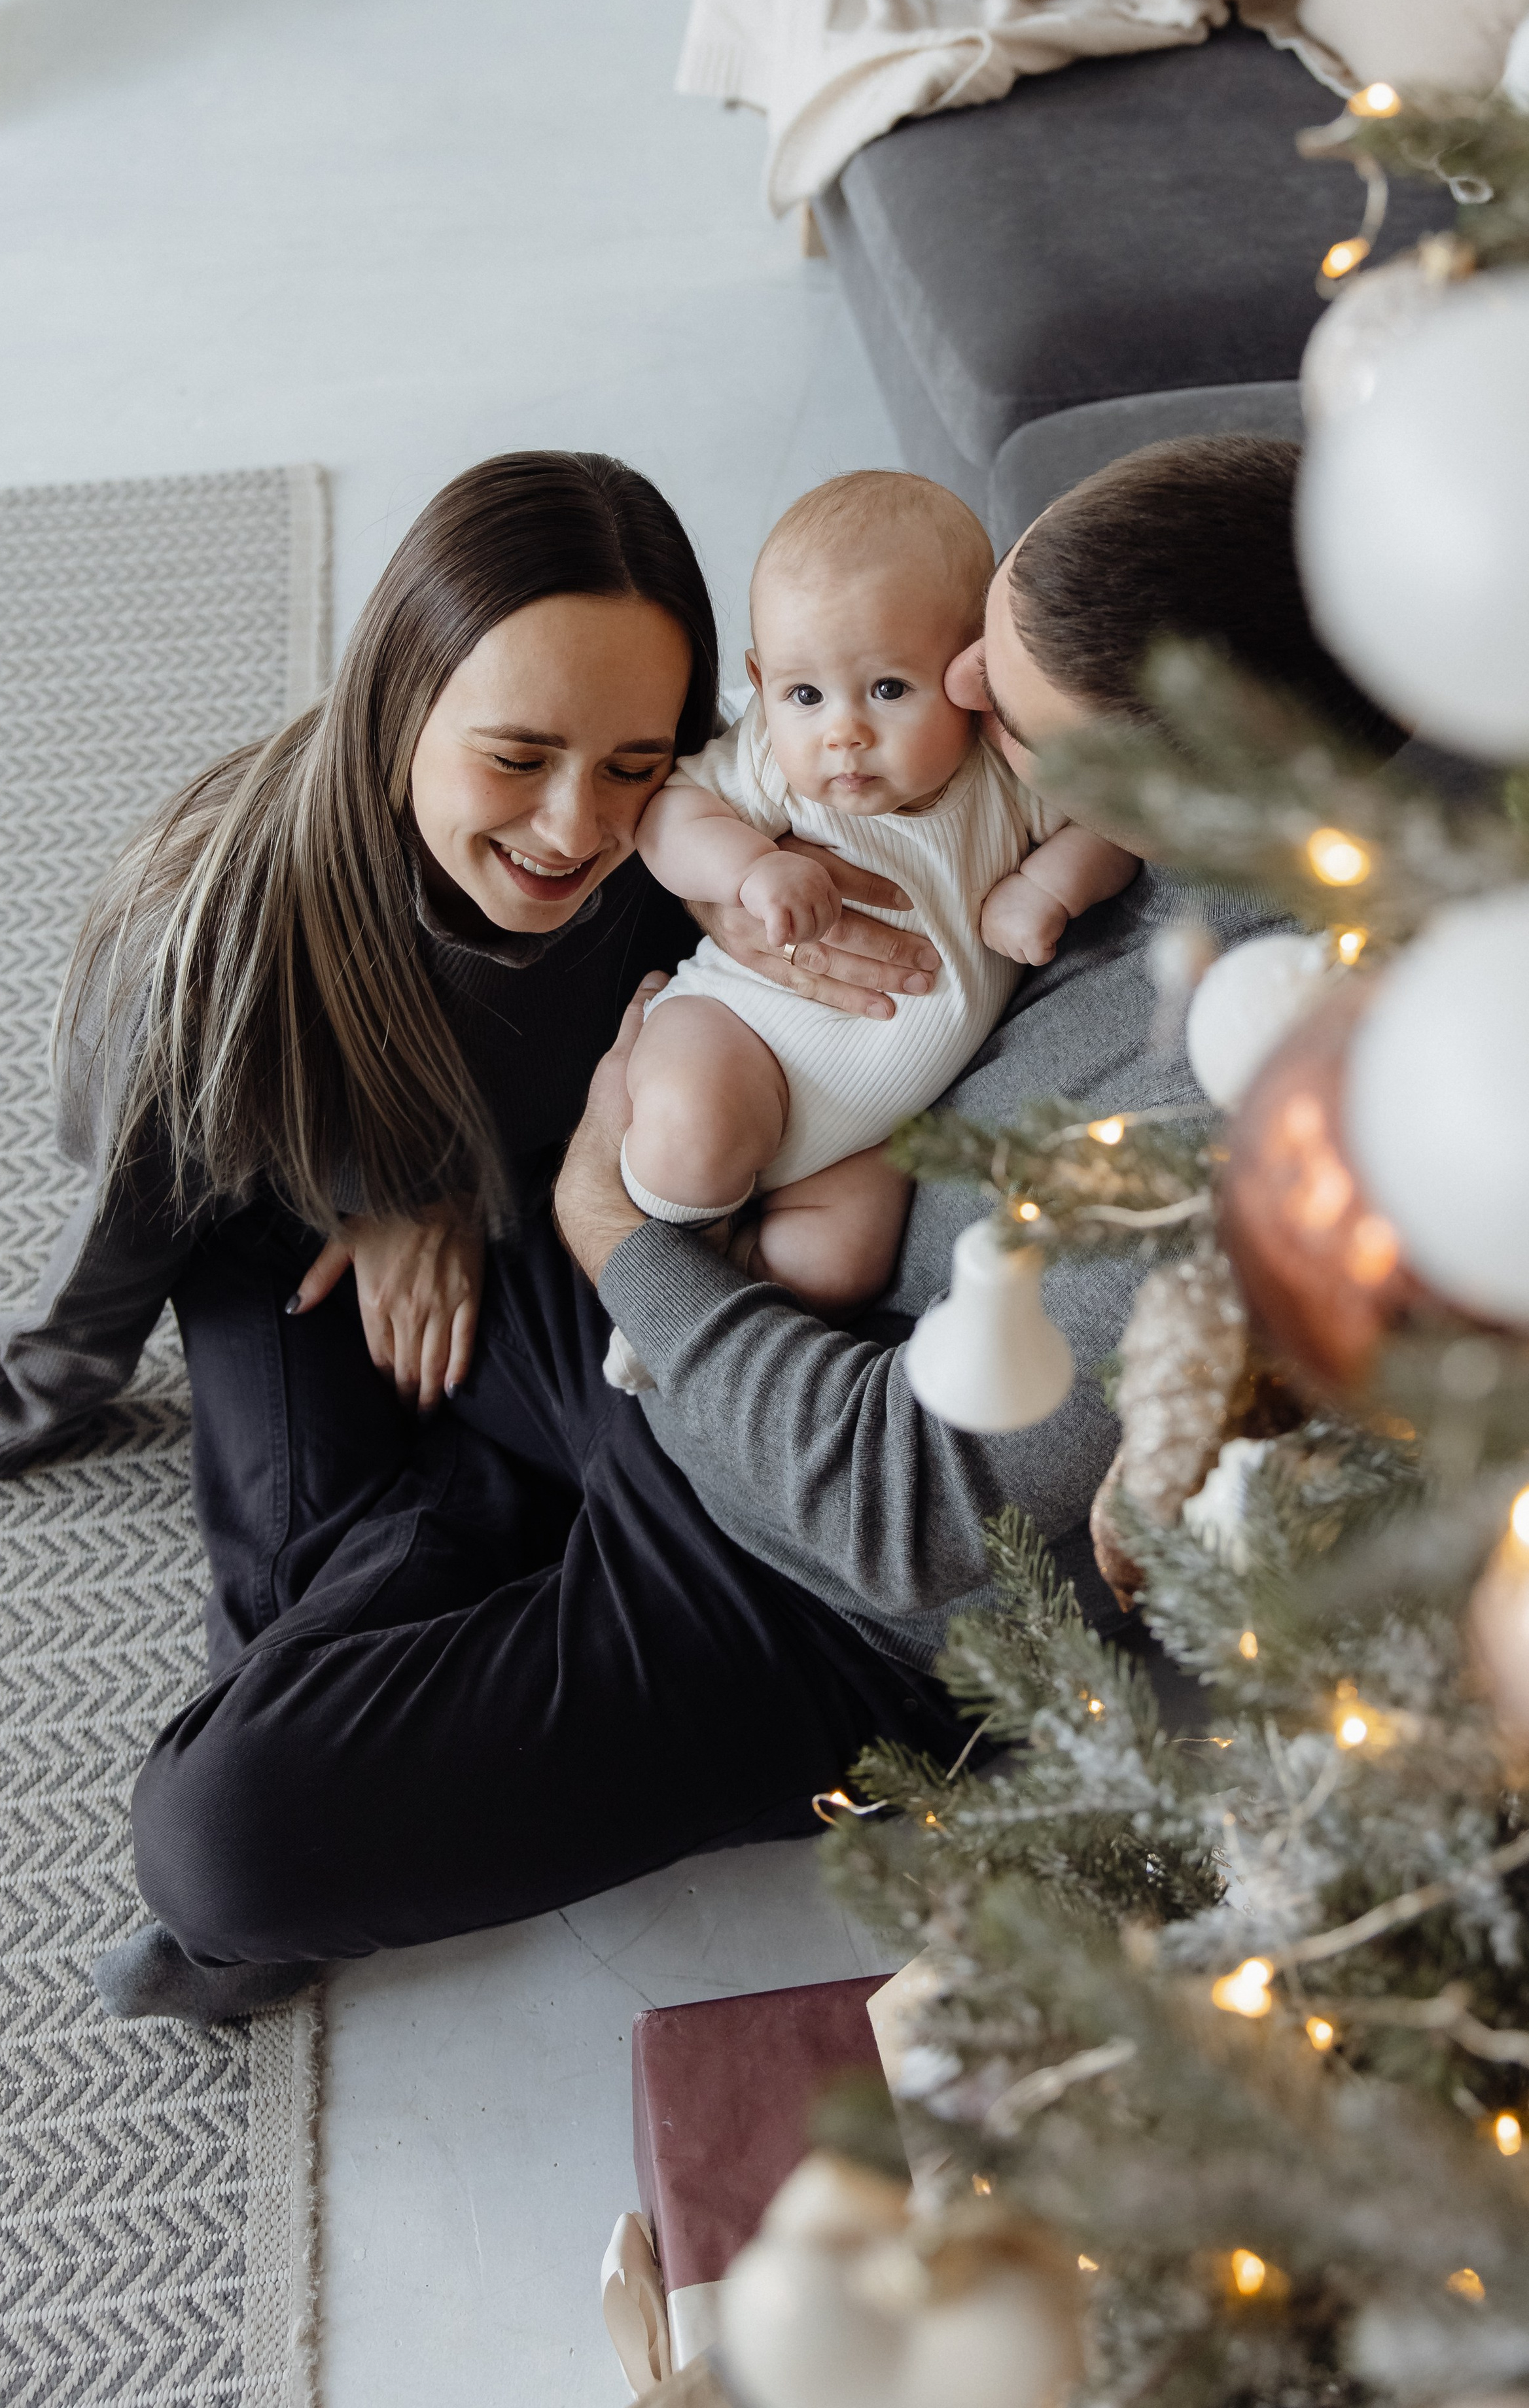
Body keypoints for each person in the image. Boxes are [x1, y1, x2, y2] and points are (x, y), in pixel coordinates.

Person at [101, 432, 1407, 2023]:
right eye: (968, 657)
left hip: (811, 1588)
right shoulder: (1043, 790)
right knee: (270, 1220)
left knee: (220, 1848)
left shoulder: (1252, 1108)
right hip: (693, 1308)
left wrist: (609, 1237)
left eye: (1008, 708)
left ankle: (435, 1536)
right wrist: (446, 1181)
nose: (958, 708)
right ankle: (444, 1528)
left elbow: (909, 1509)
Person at [617, 470, 1136, 1331]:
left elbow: (1116, 827)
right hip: (742, 1031)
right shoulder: (766, 761)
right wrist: (749, 870)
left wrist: (1047, 883)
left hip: (865, 1134)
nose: (841, 731)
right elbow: (667, 816)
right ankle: (671, 1261)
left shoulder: (1002, 782)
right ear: (761, 681)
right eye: (804, 695)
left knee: (837, 1270)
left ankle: (731, 1278)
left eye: (889, 689)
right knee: (691, 1137)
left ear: (970, 674)